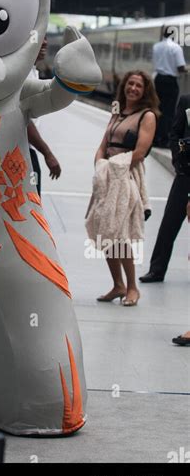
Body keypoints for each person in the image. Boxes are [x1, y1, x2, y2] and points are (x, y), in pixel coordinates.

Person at [88, 71, 159, 306]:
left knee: (119, 233)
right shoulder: (117, 112)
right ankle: (117, 285)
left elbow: (140, 152)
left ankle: (132, 288)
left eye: (139, 85)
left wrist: (114, 166)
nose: (133, 88)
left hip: (126, 175)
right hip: (107, 175)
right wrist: (100, 164)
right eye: (130, 83)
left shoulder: (147, 116)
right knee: (105, 230)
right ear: (124, 86)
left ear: (145, 90)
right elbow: (103, 144)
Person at [140, 93, 190, 283]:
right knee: (169, 222)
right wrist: (178, 159)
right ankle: (157, 269)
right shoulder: (186, 101)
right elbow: (174, 133)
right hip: (185, 173)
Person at [27, 36, 61, 195]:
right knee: (31, 203)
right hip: (23, 153)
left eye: (47, 38)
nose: (45, 42)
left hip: (27, 151)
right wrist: (48, 153)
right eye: (40, 37)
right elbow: (23, 120)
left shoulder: (33, 72)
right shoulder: (23, 75)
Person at [152, 26, 186, 147]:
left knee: (157, 109)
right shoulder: (176, 48)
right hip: (170, 82)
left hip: (158, 79)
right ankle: (164, 139)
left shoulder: (156, 46)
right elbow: (180, 67)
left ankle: (155, 137)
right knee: (169, 111)